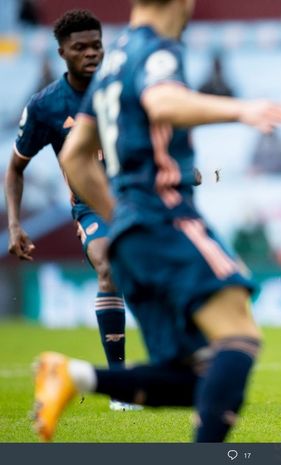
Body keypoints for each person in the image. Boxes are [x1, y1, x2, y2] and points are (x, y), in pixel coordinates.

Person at [33, 0, 281, 443]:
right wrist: (239, 110)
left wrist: (121, 220)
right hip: (164, 218)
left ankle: (75, 376)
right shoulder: (158, 49)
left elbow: (75, 156)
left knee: (197, 376)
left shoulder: (112, 61)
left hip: (133, 234)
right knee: (239, 337)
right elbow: (163, 99)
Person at [5, 9, 139, 412]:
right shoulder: (46, 106)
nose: (90, 53)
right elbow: (15, 168)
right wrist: (14, 223)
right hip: (91, 206)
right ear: (61, 51)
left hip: (137, 197)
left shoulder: (122, 88)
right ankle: (118, 385)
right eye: (79, 47)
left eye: (96, 45)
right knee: (107, 265)